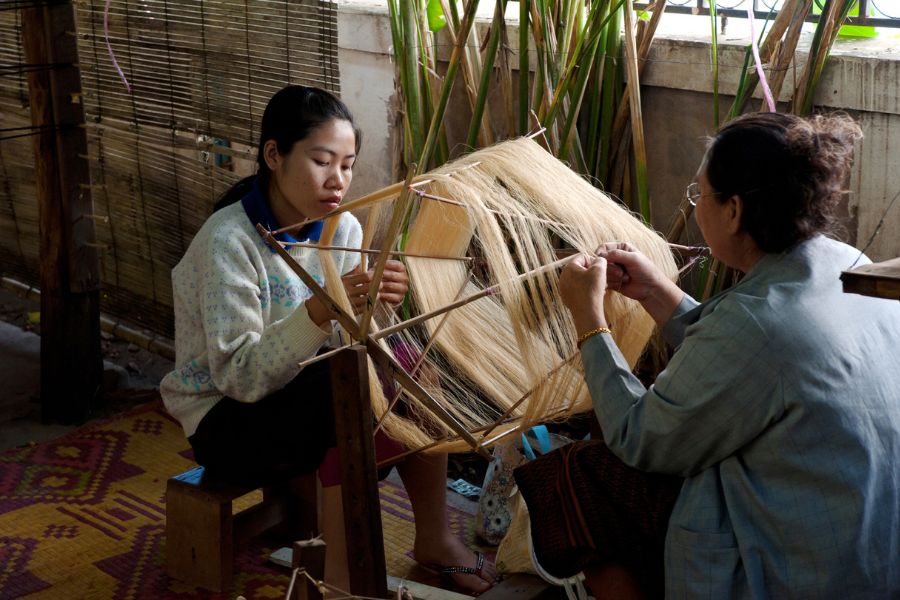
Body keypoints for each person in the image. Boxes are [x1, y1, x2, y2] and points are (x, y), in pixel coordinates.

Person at [160, 85, 496, 595]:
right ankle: (343, 577)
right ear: (274, 155)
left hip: (306, 393)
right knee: (352, 389)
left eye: (348, 164)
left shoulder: (342, 230)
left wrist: (382, 301)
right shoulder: (227, 242)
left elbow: (351, 338)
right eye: (322, 161)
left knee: (408, 362)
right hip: (225, 418)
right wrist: (320, 309)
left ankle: (433, 539)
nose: (337, 180)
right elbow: (239, 378)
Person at [554, 112, 900, 598]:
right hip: (872, 549)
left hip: (805, 573)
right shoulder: (847, 263)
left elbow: (641, 439)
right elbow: (741, 359)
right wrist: (656, 292)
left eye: (700, 196)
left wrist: (588, 318)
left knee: (576, 477)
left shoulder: (759, 323)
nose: (696, 208)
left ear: (734, 210)